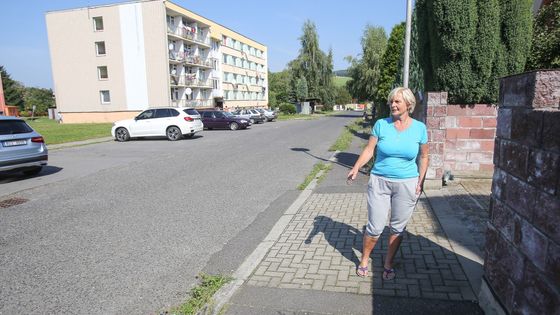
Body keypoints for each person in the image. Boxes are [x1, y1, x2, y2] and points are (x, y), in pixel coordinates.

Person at [347, 87, 429, 280]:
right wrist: (356, 167)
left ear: (408, 104)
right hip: (380, 182)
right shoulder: (381, 125)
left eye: (397, 101)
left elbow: (424, 156)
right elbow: (369, 150)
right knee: (375, 226)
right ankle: (365, 259)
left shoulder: (419, 128)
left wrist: (420, 181)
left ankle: (388, 263)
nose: (392, 104)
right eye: (391, 101)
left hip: (407, 183)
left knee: (397, 228)